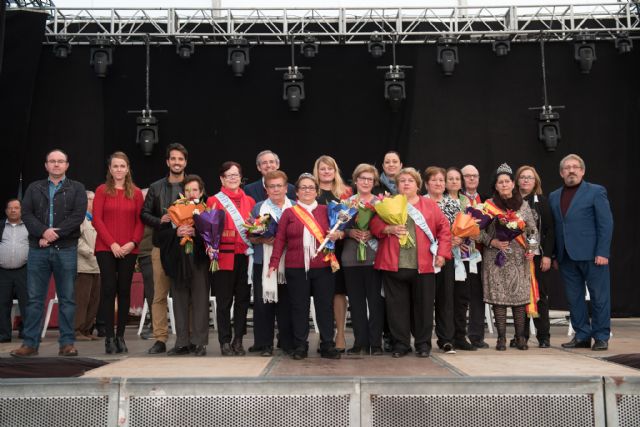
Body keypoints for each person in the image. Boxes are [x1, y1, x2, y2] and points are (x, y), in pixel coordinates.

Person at [11, 149, 87, 358]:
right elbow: (27, 214)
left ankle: (67, 344)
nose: (56, 164)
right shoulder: (34, 188)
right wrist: (43, 231)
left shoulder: (77, 188)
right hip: (39, 250)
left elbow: (78, 216)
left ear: (67, 165)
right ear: (46, 165)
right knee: (34, 299)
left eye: (60, 161)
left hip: (66, 249)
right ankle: (30, 344)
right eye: (52, 161)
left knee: (67, 299)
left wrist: (54, 235)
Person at [370, 167, 452, 358]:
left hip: (423, 266)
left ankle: (423, 344)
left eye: (410, 181)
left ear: (418, 185)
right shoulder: (387, 203)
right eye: (402, 181)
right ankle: (401, 344)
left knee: (424, 308)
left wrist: (442, 254)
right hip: (394, 264)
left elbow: (444, 230)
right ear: (397, 185)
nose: (406, 184)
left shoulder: (430, 205)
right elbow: (374, 225)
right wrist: (388, 228)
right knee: (396, 309)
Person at [268, 173, 343, 360]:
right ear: (297, 192)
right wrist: (274, 263)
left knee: (324, 307)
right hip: (296, 267)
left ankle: (327, 344)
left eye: (311, 187)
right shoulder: (289, 213)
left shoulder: (327, 210)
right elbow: (280, 240)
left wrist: (338, 235)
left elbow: (340, 230)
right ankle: (300, 345)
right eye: (303, 187)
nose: (307, 191)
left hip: (323, 267)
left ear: (317, 191)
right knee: (299, 307)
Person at [549, 154, 613, 351]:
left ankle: (601, 336)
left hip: (593, 255)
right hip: (565, 256)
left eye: (575, 167)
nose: (571, 170)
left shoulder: (596, 191)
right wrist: (554, 254)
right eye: (567, 168)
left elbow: (606, 223)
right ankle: (582, 336)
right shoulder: (554, 196)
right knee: (574, 299)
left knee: (599, 297)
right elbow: (554, 228)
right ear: (561, 173)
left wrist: (603, 252)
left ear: (582, 171)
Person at [478, 163, 537, 351]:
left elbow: (532, 230)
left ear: (513, 184)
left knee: (519, 300)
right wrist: (492, 242)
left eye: (507, 181)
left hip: (519, 258)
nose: (504, 184)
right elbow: (476, 231)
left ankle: (520, 338)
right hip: (495, 257)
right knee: (499, 300)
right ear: (495, 186)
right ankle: (501, 338)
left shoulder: (523, 205)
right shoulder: (488, 206)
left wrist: (532, 248)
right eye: (500, 182)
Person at [92, 152, 144, 354]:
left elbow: (140, 221)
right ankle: (109, 337)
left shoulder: (136, 193)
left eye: (122, 166)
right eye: (115, 166)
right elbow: (97, 219)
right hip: (106, 247)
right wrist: (112, 243)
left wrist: (132, 243)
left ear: (128, 168)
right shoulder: (102, 190)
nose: (119, 169)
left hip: (129, 248)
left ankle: (120, 336)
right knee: (108, 289)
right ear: (110, 169)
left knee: (124, 290)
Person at [141, 143, 188, 355]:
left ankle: (186, 339)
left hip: (186, 247)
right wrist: (159, 220)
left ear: (185, 162)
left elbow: (203, 211)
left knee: (184, 295)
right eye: (173, 159)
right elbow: (144, 213)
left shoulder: (192, 185)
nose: (177, 162)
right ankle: (160, 338)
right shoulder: (155, 187)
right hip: (161, 246)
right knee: (159, 295)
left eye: (180, 159)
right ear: (168, 162)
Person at [207, 161, 256, 356]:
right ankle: (224, 341)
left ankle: (238, 340)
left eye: (236, 175)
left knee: (243, 300)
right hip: (223, 257)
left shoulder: (250, 201)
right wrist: (209, 246)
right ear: (222, 179)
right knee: (224, 301)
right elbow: (208, 230)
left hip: (245, 257)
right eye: (229, 175)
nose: (233, 178)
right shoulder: (213, 200)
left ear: (240, 178)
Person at [158, 175, 210, 357]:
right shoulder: (172, 211)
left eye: (194, 190)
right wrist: (176, 232)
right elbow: (159, 238)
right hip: (178, 262)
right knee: (179, 302)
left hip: (198, 261)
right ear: (182, 192)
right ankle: (182, 343)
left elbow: (214, 238)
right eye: (187, 190)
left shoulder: (207, 211)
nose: (191, 193)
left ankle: (199, 342)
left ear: (201, 192)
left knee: (200, 302)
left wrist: (197, 233)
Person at [248, 170, 294, 357]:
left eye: (279, 186)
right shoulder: (258, 208)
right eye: (272, 186)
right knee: (263, 304)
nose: (276, 189)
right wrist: (262, 239)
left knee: (287, 304)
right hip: (264, 261)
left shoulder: (295, 207)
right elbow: (251, 236)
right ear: (266, 189)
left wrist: (286, 241)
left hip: (289, 262)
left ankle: (287, 342)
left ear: (286, 188)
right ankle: (264, 344)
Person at [342, 164, 384, 355]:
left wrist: (373, 233)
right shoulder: (346, 203)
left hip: (374, 258)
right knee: (356, 303)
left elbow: (386, 229)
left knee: (375, 303)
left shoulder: (381, 203)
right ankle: (360, 342)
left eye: (370, 179)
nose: (366, 182)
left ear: (374, 182)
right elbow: (337, 228)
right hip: (351, 258)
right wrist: (350, 232)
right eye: (362, 178)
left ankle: (375, 343)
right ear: (356, 181)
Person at [313, 154, 352, 352]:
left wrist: (341, 233)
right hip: (318, 249)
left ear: (335, 171)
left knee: (338, 292)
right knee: (322, 294)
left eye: (330, 168)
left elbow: (352, 222)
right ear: (317, 171)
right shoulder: (311, 192)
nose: (326, 172)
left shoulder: (346, 193)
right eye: (322, 168)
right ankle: (325, 337)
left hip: (339, 248)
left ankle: (341, 335)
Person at [512, 165, 555, 348]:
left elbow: (550, 230)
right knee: (518, 297)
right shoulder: (510, 201)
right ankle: (520, 336)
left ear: (535, 181)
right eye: (523, 177)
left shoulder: (542, 202)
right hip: (516, 257)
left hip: (537, 256)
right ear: (517, 180)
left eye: (529, 177)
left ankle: (543, 336)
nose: (526, 180)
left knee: (540, 296)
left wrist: (547, 256)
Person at [423, 166, 457, 354]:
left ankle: (446, 339)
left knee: (446, 299)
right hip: (424, 256)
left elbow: (460, 228)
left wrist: (459, 238)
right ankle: (423, 339)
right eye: (434, 180)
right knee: (425, 299)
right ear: (426, 183)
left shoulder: (453, 203)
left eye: (441, 180)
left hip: (446, 256)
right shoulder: (419, 203)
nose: (438, 183)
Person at [444, 167, 478, 351]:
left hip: (464, 254)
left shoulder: (466, 201)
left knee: (462, 297)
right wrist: (451, 239)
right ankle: (447, 336)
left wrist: (465, 237)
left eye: (457, 178)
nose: (454, 181)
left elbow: (473, 226)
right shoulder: (440, 200)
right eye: (450, 178)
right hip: (446, 255)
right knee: (447, 297)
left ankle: (460, 336)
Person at [461, 164, 488, 349]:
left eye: (475, 175)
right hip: (460, 254)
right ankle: (458, 335)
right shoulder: (456, 199)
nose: (471, 178)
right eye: (467, 176)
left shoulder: (486, 199)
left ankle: (476, 335)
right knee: (460, 296)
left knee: (478, 297)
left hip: (480, 254)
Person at [0, 199, 29, 343]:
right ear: (6, 211)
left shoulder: (29, 226)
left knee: (27, 303)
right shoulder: (1, 226)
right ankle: (4, 334)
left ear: (21, 210)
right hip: (3, 271)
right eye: (10, 208)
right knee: (2, 303)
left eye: (16, 208)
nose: (13, 210)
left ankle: (27, 332)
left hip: (24, 270)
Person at [74, 190, 100, 341]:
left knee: (94, 300)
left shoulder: (96, 219)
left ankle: (87, 329)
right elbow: (76, 240)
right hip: (83, 266)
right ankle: (76, 330)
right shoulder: (79, 218)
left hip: (97, 266)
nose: (94, 202)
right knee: (82, 300)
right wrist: (91, 253)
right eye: (91, 199)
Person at [136, 188, 154, 340]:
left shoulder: (154, 212)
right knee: (150, 290)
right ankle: (153, 322)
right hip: (143, 254)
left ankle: (156, 324)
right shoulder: (137, 212)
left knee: (153, 290)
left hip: (154, 253)